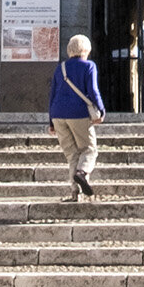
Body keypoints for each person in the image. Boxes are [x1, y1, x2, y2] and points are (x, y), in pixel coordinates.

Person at [47, 33, 106, 199]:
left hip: (58, 114)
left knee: (72, 154)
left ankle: (75, 192)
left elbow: (52, 95)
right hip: (78, 113)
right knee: (89, 149)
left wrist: (50, 121)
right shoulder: (89, 66)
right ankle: (82, 172)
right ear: (86, 49)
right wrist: (101, 110)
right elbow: (93, 91)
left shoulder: (61, 67)